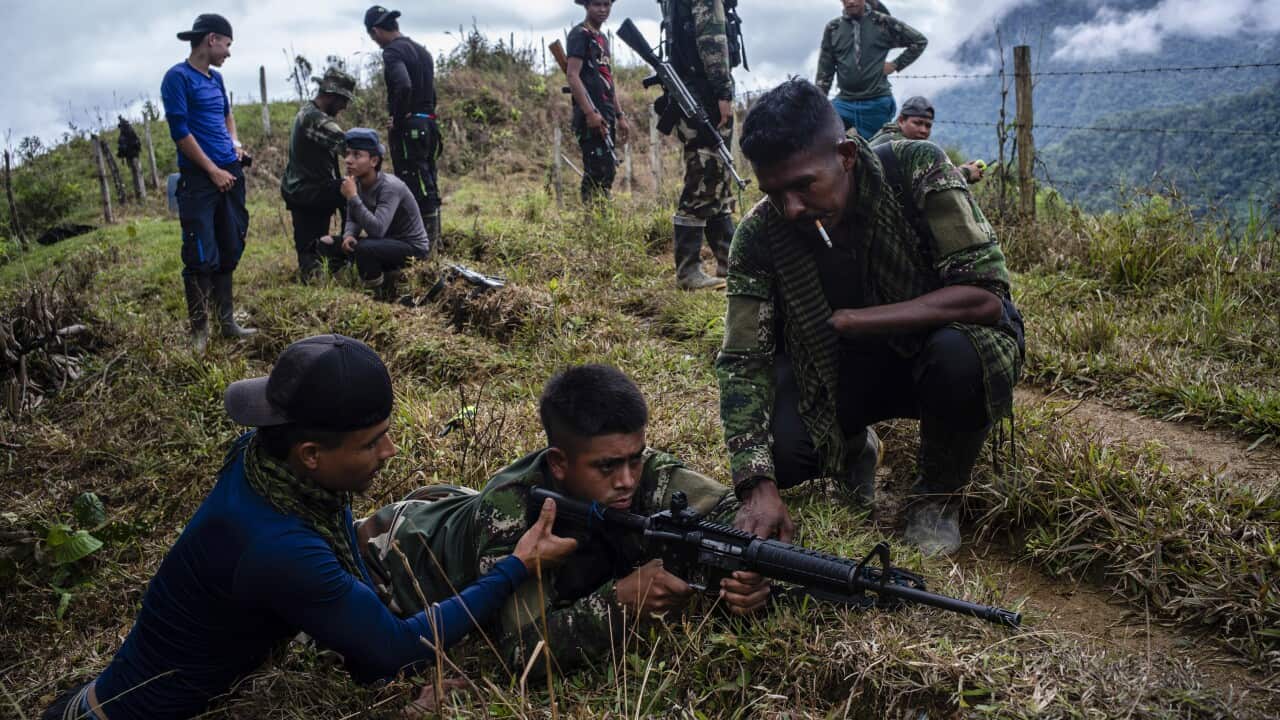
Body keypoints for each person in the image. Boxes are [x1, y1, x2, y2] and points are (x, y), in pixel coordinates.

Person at [40, 335, 578, 720]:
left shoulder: (269, 460)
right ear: (312, 453)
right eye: (371, 443)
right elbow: (392, 647)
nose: (390, 451)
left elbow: (344, 555)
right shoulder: (276, 547)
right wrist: (514, 566)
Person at [718, 79, 1024, 556]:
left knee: (964, 357)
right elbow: (743, 362)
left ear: (845, 155)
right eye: (775, 192)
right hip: (841, 373)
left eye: (803, 185)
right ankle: (855, 453)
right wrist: (756, 485)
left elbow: (985, 297)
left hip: (931, 353)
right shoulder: (759, 236)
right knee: (779, 450)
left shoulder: (914, 167)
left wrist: (859, 320)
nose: (791, 207)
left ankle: (937, 495)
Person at [357, 364, 769, 680]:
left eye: (635, 458)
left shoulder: (637, 467)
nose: (627, 480)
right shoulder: (512, 513)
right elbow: (521, 652)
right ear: (559, 463)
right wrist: (620, 603)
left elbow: (732, 517)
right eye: (607, 467)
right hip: (394, 553)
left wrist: (742, 576)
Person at [161, 14, 256, 354]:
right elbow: (180, 132)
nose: (228, 53)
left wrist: (234, 144)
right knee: (200, 253)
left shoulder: (215, 80)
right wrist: (212, 170)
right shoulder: (177, 78)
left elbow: (227, 116)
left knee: (231, 244)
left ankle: (227, 322)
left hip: (231, 173)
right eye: (227, 45)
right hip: (200, 180)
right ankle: (200, 332)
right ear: (212, 39)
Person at [663, 0, 747, 291]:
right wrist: (723, 91)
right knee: (704, 177)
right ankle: (688, 272)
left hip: (694, 89)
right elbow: (712, 40)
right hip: (705, 93)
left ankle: (729, 260)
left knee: (717, 177)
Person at [364, 6, 442, 249]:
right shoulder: (422, 51)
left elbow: (403, 85)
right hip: (428, 123)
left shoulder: (392, 52)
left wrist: (397, 118)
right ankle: (434, 240)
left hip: (410, 128)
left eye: (373, 36)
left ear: (376, 31)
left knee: (413, 182)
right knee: (428, 177)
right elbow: (431, 91)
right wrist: (425, 114)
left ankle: (422, 244)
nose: (375, 42)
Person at [328, 128, 430, 298]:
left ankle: (378, 295)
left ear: (374, 160)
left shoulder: (390, 187)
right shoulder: (356, 182)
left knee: (365, 249)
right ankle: (342, 285)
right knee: (327, 243)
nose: (348, 160)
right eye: (347, 154)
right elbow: (353, 218)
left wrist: (352, 196)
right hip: (384, 243)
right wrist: (348, 235)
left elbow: (377, 230)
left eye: (356, 155)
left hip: (411, 247)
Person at [281, 68, 358, 281]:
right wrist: (371, 153)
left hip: (309, 189)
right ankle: (337, 260)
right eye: (343, 100)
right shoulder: (314, 118)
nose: (344, 106)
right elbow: (346, 143)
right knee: (310, 251)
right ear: (331, 96)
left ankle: (340, 255)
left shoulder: (310, 113)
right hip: (307, 192)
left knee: (347, 196)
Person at [815, 0, 927, 140]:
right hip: (845, 103)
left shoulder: (882, 22)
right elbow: (825, 67)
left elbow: (919, 41)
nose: (850, 1)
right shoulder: (834, 28)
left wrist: (896, 64)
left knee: (878, 153)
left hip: (876, 102)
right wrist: (817, 101)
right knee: (828, 141)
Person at [566, 0, 630, 204]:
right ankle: (592, 222)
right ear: (586, 6)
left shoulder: (602, 38)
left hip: (607, 113)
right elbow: (572, 75)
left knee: (608, 170)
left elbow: (608, 80)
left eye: (606, 5)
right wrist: (590, 113)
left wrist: (620, 116)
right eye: (597, 4)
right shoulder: (580, 34)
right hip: (590, 116)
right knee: (596, 171)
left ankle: (603, 217)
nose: (602, 10)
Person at [869, 96, 985, 183]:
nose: (923, 130)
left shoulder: (888, 134)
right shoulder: (896, 144)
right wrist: (966, 172)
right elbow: (930, 183)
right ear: (901, 120)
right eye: (917, 123)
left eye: (928, 126)